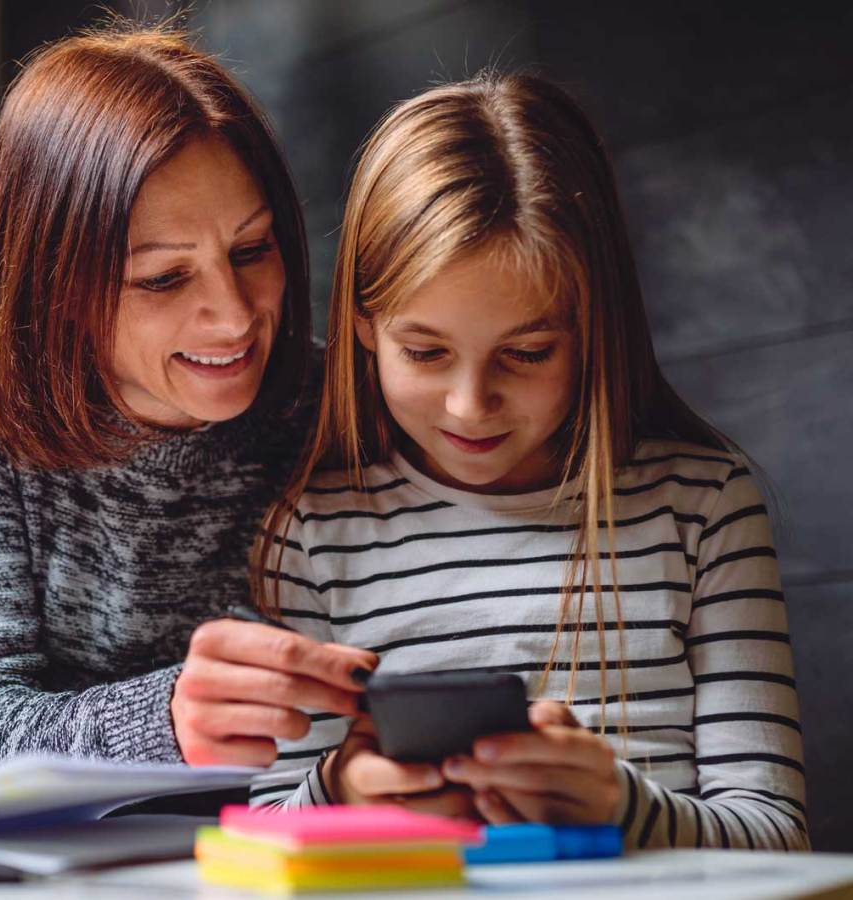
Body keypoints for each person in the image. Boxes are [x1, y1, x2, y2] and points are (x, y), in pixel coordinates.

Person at [248, 73, 807, 851]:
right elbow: (261, 843)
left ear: (592, 331)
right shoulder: (314, 533)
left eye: (527, 352)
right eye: (426, 351)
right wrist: (342, 791)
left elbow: (778, 839)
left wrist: (619, 806)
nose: (470, 404)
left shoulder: (703, 504)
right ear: (365, 326)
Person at [0, 24, 375, 801]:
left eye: (252, 251)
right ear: (56, 284)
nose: (236, 316)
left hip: (238, 846)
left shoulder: (326, 402)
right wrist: (170, 719)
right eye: (163, 279)